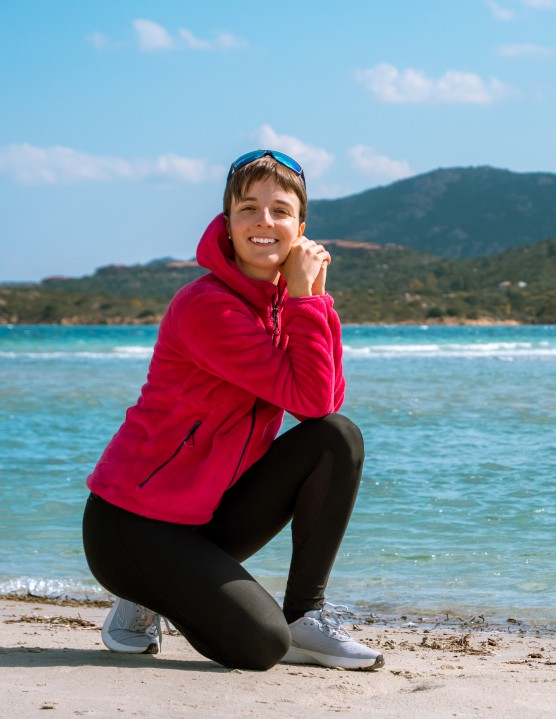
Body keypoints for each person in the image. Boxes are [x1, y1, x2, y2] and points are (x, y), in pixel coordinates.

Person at [82, 149, 383, 671]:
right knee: (260, 647)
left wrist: (314, 298)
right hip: (131, 526)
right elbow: (309, 397)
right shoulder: (208, 307)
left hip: (204, 518)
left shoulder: (281, 305)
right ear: (227, 223)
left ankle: (305, 617)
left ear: (300, 227)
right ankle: (149, 590)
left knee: (337, 437)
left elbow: (325, 406)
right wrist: (306, 298)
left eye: (280, 210)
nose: (264, 221)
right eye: (248, 208)